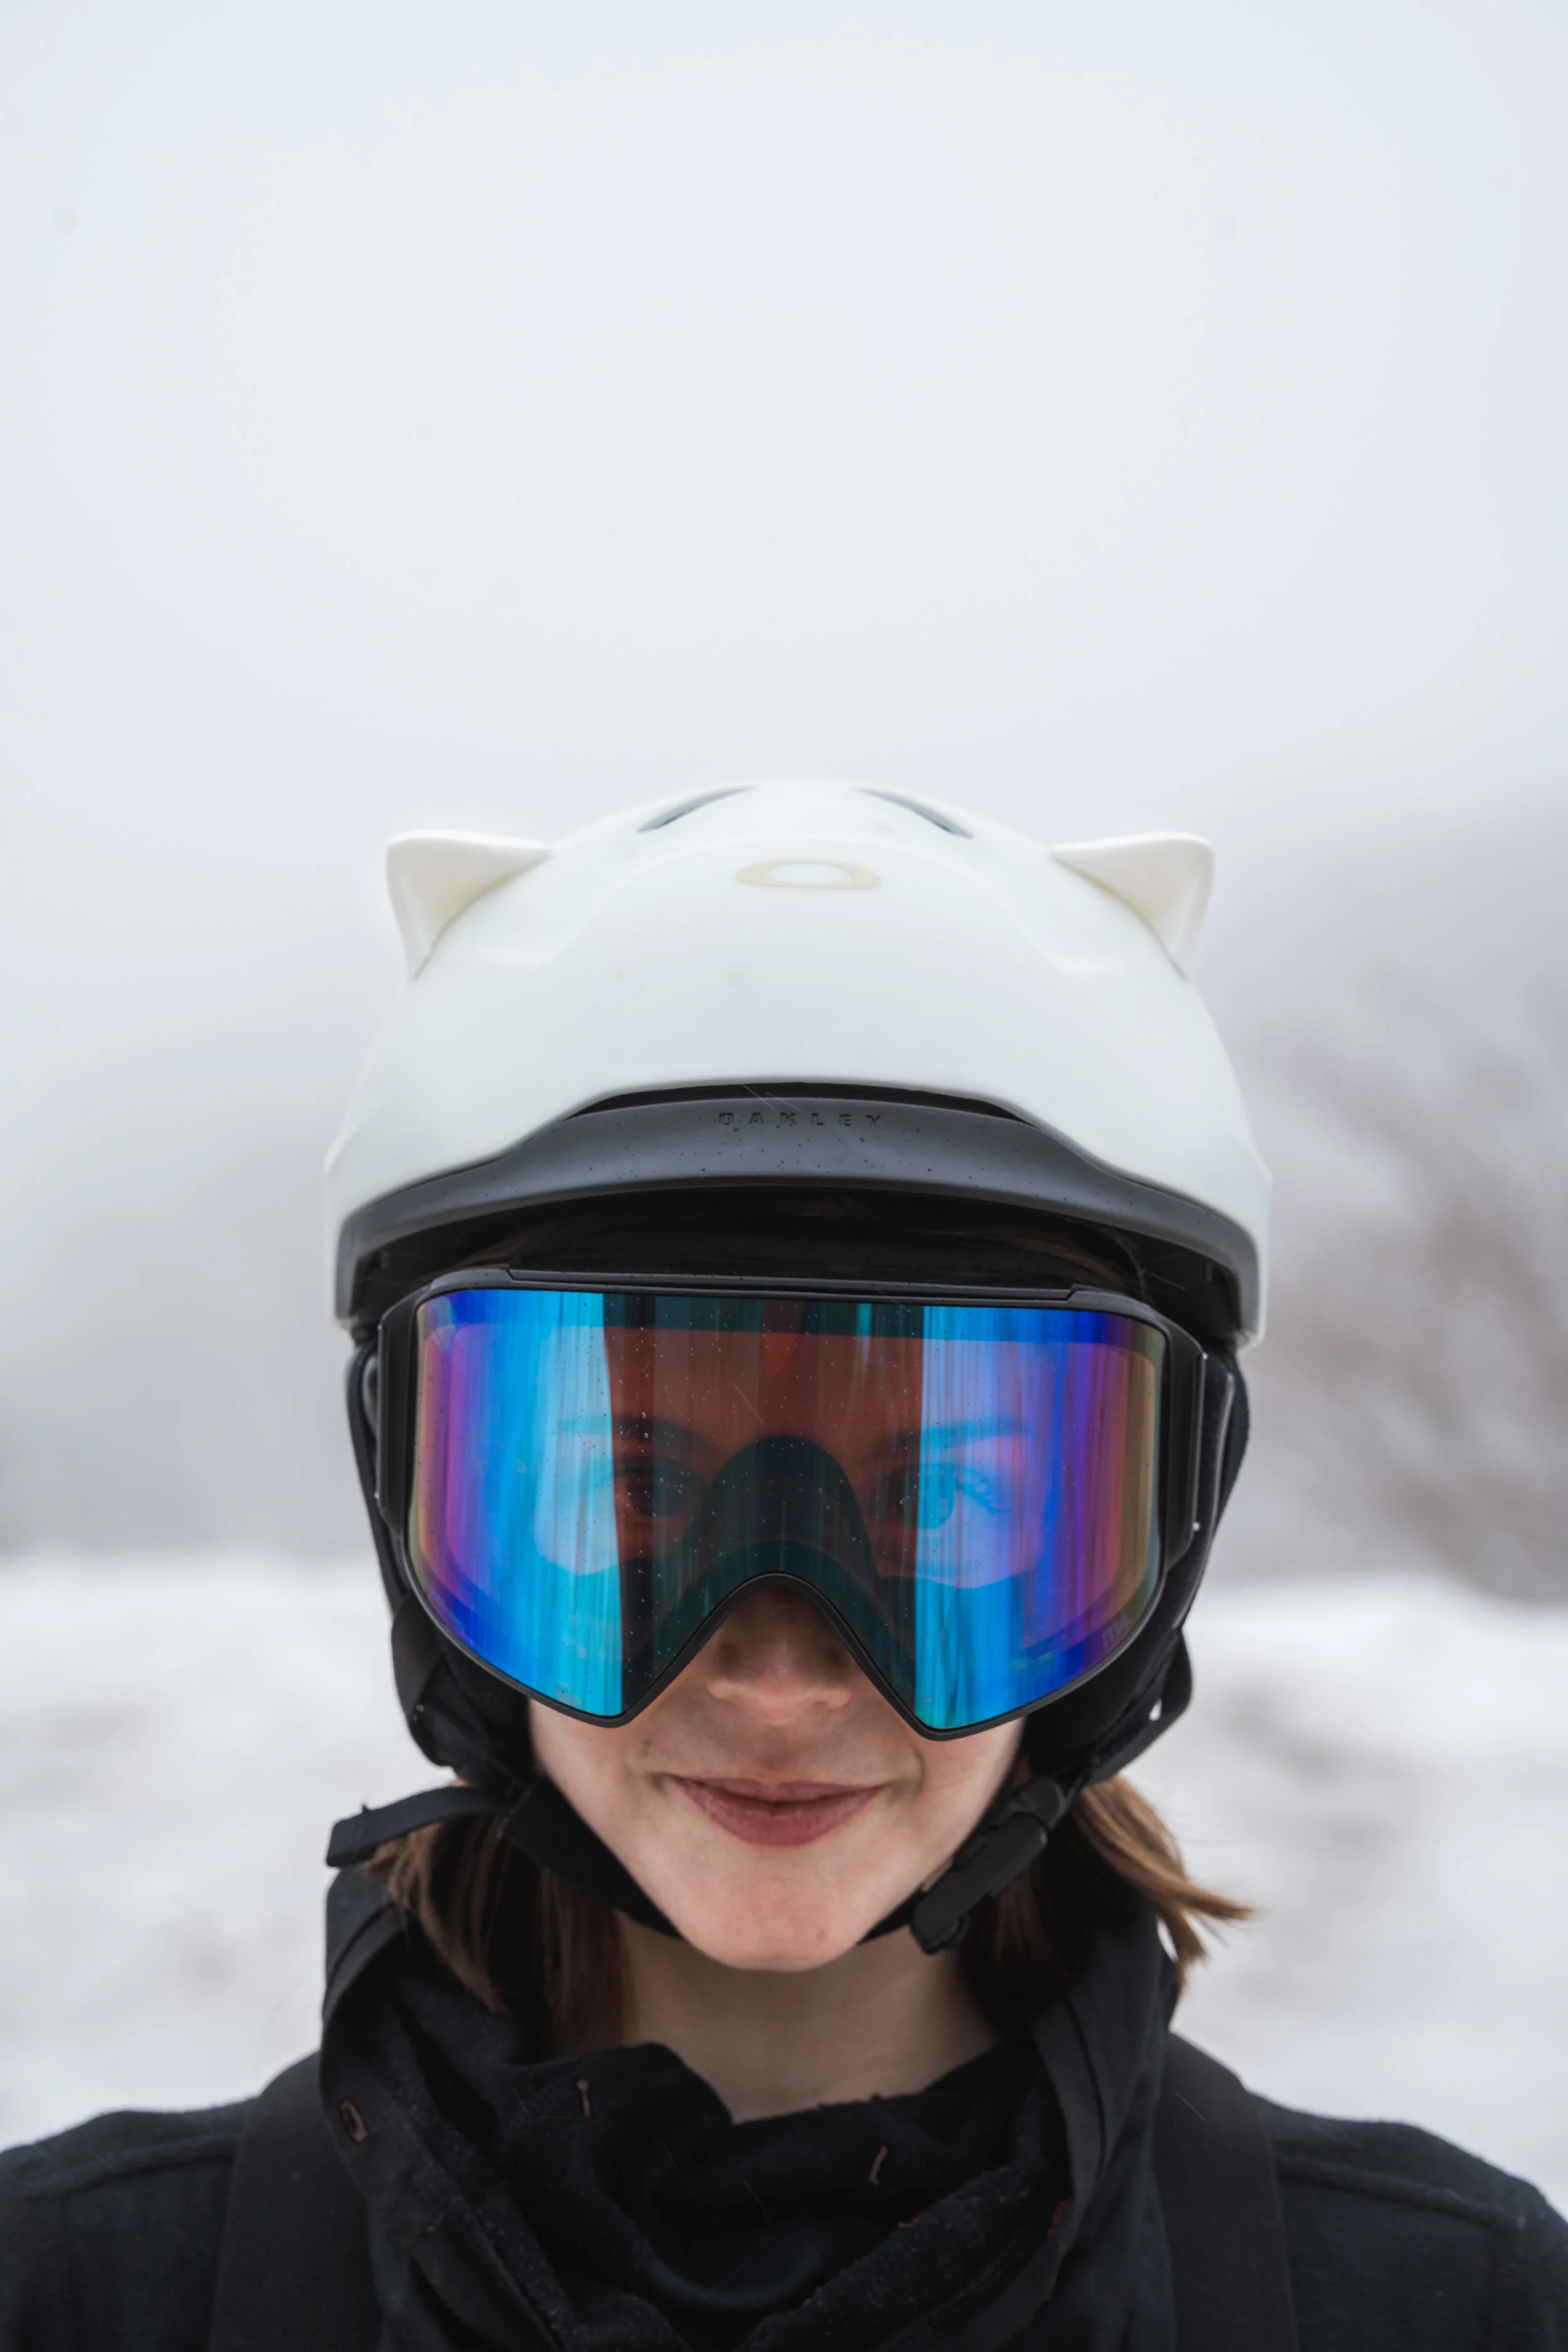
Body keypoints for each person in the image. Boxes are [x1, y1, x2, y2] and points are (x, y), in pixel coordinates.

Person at [3, 780, 1564, 2351]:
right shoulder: (71, 2297)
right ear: (424, 1520)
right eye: (629, 1496)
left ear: (1154, 1543)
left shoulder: (1455, 2309)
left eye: (942, 1506)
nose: (775, 1681)